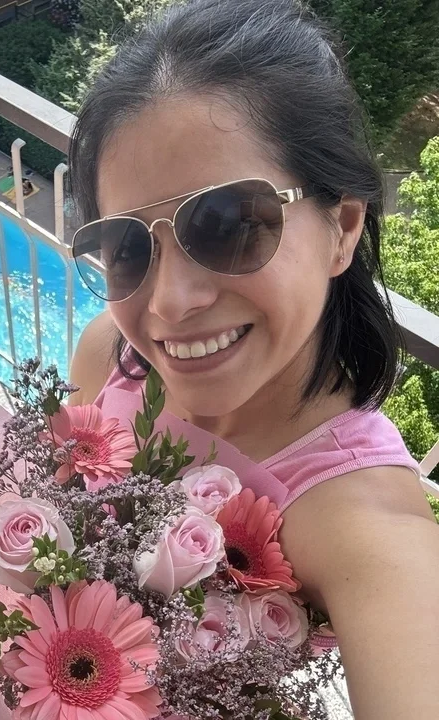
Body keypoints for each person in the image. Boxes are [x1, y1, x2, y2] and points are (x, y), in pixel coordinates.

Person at [67, 1, 439, 718]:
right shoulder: (108, 355)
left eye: (230, 224)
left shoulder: (362, 524)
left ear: (343, 227)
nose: (169, 302)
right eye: (127, 247)